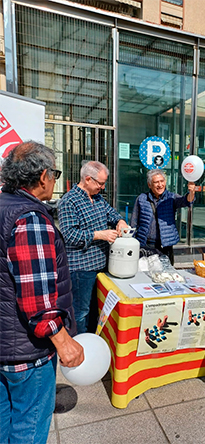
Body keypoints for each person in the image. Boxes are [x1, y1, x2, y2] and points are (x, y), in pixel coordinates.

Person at [0, 141, 84, 444]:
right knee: (28, 428)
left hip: (6, 341)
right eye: (55, 175)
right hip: (26, 350)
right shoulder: (30, 218)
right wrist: (63, 341)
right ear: (44, 176)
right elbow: (38, 298)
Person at [58, 161, 128, 334]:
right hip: (81, 269)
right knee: (81, 312)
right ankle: (82, 346)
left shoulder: (97, 198)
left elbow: (111, 213)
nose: (103, 188)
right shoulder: (69, 201)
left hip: (101, 267)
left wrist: (120, 221)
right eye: (101, 183)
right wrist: (99, 235)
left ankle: (94, 341)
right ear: (88, 179)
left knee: (99, 310)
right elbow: (69, 235)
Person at [130, 169, 195, 265]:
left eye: (162, 181)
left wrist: (191, 193)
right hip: (146, 245)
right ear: (149, 185)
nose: (160, 185)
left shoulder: (171, 198)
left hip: (165, 247)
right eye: (156, 182)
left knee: (166, 275)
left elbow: (186, 201)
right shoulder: (142, 199)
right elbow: (134, 222)